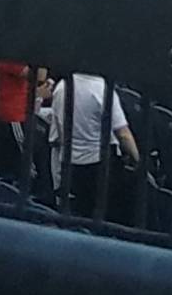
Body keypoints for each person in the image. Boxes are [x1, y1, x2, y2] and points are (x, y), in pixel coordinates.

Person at [43, 71, 142, 220]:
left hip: (71, 165)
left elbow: (59, 130)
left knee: (83, 215)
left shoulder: (61, 87)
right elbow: (123, 134)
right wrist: (138, 160)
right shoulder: (102, 90)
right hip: (100, 167)